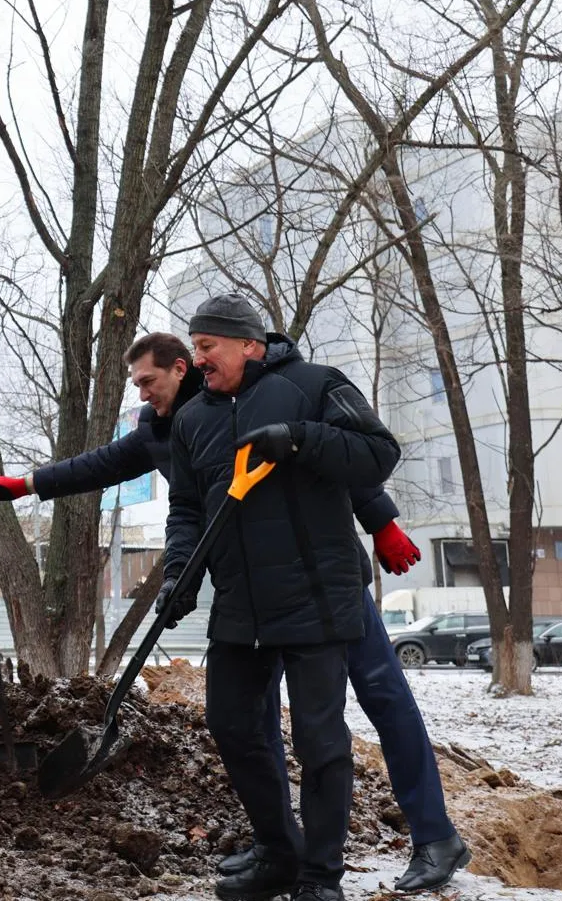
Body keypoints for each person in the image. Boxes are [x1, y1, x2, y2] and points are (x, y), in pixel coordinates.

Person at [0, 328, 468, 893]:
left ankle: (434, 835)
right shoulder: (164, 431)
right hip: (249, 594)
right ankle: (277, 845)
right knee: (246, 722)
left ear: (182, 368)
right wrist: (24, 485)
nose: (142, 395)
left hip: (320, 585)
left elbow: (323, 464)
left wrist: (381, 520)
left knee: (380, 697)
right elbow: (99, 465)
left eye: (149, 382)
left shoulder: (264, 396)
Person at [171, 294, 398, 901]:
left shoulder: (316, 385)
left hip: (316, 598)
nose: (197, 361)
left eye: (206, 347)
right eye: (194, 349)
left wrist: (298, 438)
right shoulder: (194, 419)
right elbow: (188, 511)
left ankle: (321, 878)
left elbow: (379, 452)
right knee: (232, 727)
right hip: (240, 604)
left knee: (320, 741)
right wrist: (178, 578)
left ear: (249, 344)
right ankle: (279, 853)